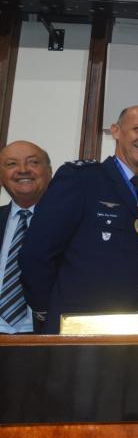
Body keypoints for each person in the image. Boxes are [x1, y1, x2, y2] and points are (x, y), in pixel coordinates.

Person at [20, 105, 138, 334]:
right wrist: (50, 312)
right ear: (116, 131)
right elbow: (37, 254)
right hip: (79, 333)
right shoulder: (81, 180)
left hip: (137, 339)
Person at [0, 141, 52, 334]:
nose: (23, 170)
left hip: (42, 336)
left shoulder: (68, 224)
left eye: (33, 162)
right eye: (11, 164)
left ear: (49, 172)